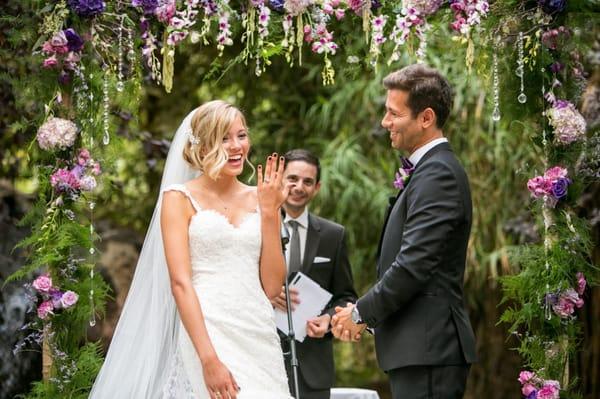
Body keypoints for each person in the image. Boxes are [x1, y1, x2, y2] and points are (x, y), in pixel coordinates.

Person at [89, 100, 293, 399]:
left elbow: (273, 285)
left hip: (257, 329)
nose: (237, 146)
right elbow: (180, 283)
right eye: (224, 138)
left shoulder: (261, 198)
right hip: (208, 327)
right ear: (204, 144)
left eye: (241, 135)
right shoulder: (178, 198)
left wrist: (270, 212)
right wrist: (208, 359)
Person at [332, 64, 477, 399]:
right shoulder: (429, 171)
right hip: (420, 350)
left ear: (425, 118)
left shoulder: (437, 174)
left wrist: (360, 313)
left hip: (429, 349)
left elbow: (413, 265)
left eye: (393, 113)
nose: (385, 123)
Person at [271, 149, 357, 399]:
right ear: (280, 181)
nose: (299, 187)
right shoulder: (256, 229)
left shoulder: (333, 236)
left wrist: (329, 320)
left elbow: (346, 296)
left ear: (317, 187)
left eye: (308, 181)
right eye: (293, 179)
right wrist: (266, 294)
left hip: (313, 367)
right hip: (264, 358)